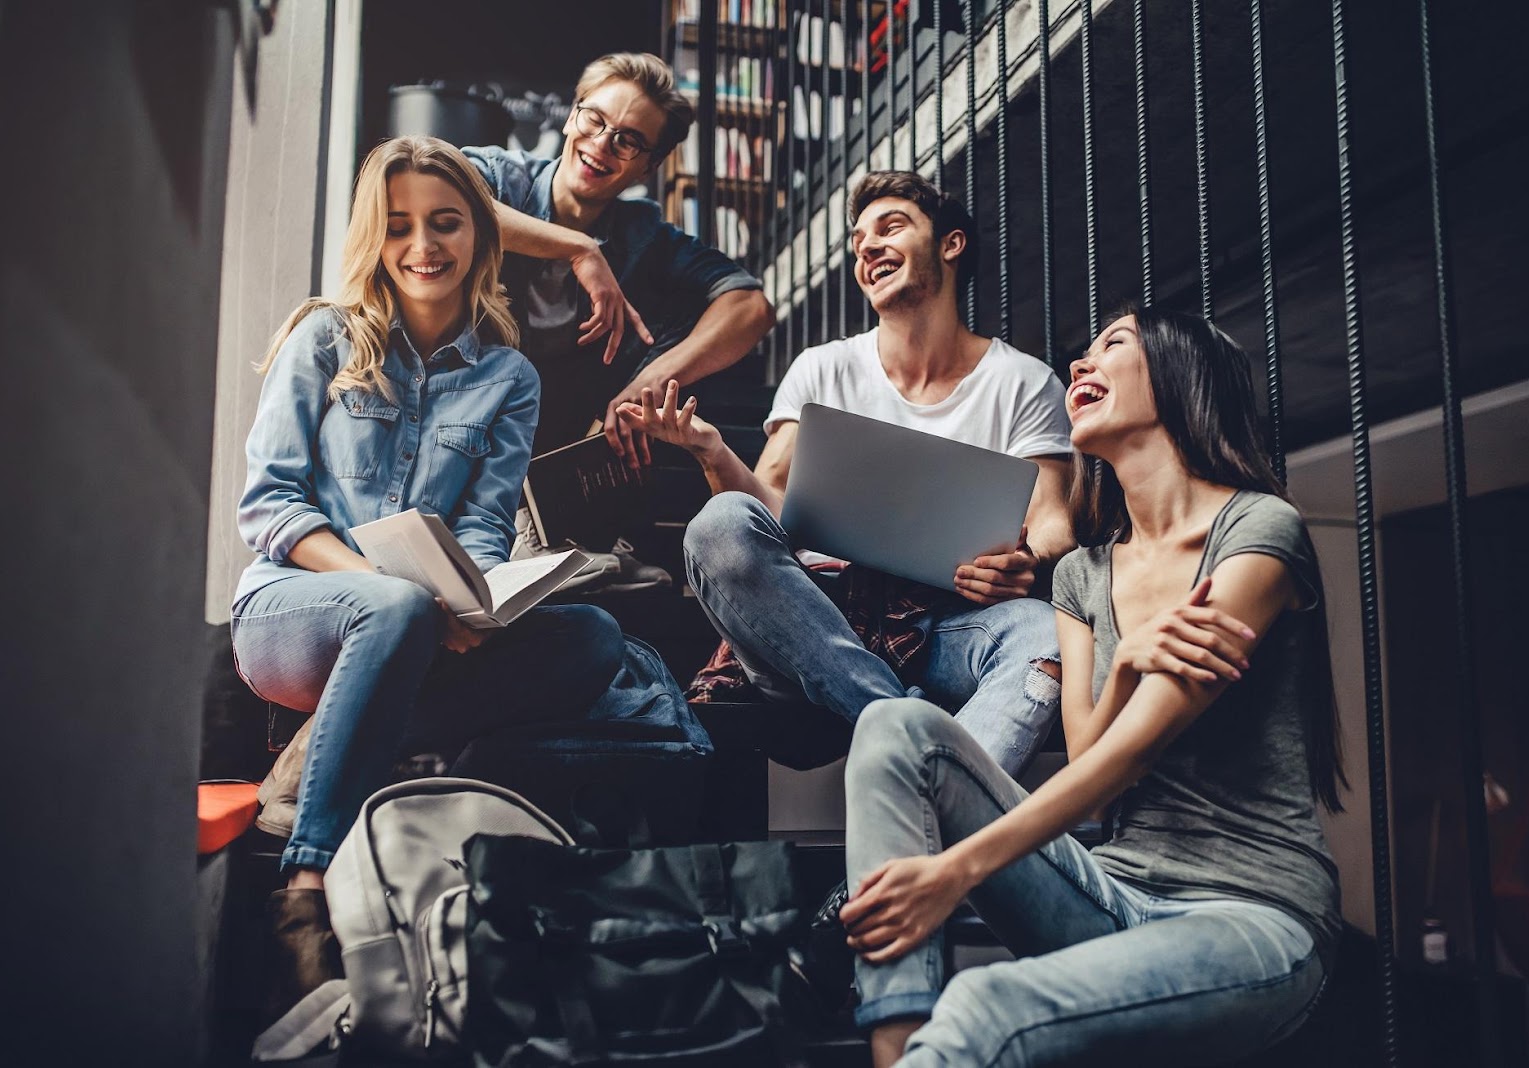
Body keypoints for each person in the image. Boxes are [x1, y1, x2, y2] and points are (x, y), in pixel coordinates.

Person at [837, 307, 1347, 1067]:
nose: (1080, 363)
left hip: (1248, 915)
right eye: (1082, 350)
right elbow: (1093, 772)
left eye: (1113, 344)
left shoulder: (1257, 529)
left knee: (988, 1003)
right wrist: (1131, 663)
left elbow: (1135, 751)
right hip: (1111, 888)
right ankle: (893, 1045)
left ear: (1182, 377)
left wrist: (953, 873)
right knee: (893, 725)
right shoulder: (1083, 573)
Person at [230, 136, 627, 1015]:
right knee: (396, 609)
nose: (424, 245)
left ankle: (325, 751)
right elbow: (269, 508)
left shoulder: (508, 377)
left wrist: (476, 599)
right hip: (290, 613)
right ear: (375, 237)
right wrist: (393, 591)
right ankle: (303, 885)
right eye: (400, 225)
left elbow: (484, 524)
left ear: (480, 238)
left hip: (418, 621)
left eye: (446, 223)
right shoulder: (322, 341)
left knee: (595, 641)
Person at [620, 171, 1074, 775]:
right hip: (816, 621)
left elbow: (1054, 520)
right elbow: (767, 512)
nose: (867, 246)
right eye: (859, 239)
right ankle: (909, 736)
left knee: (1043, 633)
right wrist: (711, 452)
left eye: (891, 227)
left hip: (949, 623)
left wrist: (1029, 561)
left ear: (951, 244)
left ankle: (928, 787)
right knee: (719, 522)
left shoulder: (1023, 380)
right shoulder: (821, 369)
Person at [461, 52, 774, 464]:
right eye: (594, 118)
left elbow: (751, 306)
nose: (602, 144)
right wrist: (578, 248)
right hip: (457, 419)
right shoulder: (502, 176)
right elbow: (437, 202)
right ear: (572, 116)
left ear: (648, 167)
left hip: (554, 447)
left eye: (629, 140)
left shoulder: (645, 236)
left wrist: (654, 381)